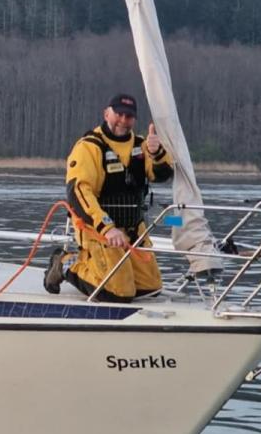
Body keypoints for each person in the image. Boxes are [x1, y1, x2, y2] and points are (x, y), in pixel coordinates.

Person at [58, 93, 174, 302]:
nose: (123, 120)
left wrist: (157, 153)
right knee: (117, 293)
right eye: (118, 114)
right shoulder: (89, 146)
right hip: (98, 229)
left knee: (151, 287)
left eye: (129, 116)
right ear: (106, 113)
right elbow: (78, 191)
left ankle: (113, 267)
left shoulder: (143, 145)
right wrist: (106, 227)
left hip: (132, 228)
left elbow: (161, 175)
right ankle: (65, 263)